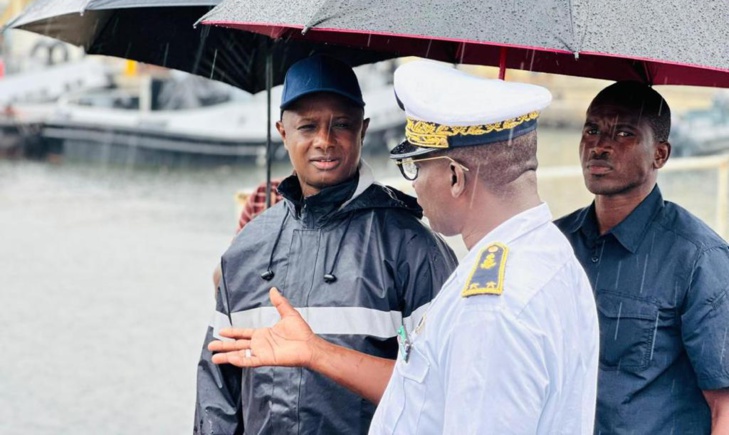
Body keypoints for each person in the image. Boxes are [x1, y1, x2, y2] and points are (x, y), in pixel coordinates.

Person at [209, 60, 600, 434]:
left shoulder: (489, 307)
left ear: (454, 176)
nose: (412, 185)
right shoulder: (552, 259)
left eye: (416, 167)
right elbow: (426, 395)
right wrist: (315, 351)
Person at [194, 54, 458, 434]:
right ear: (282, 132)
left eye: (341, 125)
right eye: (308, 127)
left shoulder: (413, 247)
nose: (325, 141)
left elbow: (448, 389)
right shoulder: (245, 248)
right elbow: (216, 392)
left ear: (363, 130)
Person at [554, 81, 729, 434]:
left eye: (623, 133)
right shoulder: (553, 245)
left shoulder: (698, 259)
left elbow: (723, 407)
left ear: (660, 155)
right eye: (592, 129)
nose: (599, 145)